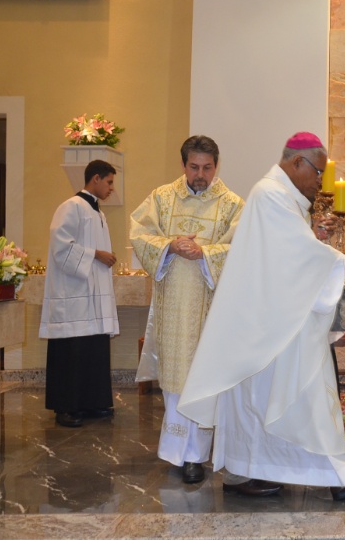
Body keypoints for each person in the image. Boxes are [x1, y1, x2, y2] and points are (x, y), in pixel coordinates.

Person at [177, 132, 345, 500]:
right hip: (264, 325)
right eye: (318, 173)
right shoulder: (271, 194)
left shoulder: (281, 195)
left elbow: (290, 255)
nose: (320, 182)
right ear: (297, 163)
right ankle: (331, 477)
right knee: (296, 396)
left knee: (279, 401)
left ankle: (325, 475)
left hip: (274, 318)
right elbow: (297, 250)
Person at [130, 135, 244, 484]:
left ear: (216, 166)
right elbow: (139, 233)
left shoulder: (232, 204)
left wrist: (205, 253)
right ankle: (175, 451)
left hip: (210, 308)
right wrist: (169, 246)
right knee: (176, 377)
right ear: (184, 166)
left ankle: (195, 455)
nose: (200, 174)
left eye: (207, 168)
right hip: (172, 305)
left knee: (202, 378)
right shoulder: (162, 198)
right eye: (194, 167)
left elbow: (240, 245)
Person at [40, 160, 119, 428]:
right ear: (95, 179)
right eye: (108, 182)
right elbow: (61, 248)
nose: (111, 188)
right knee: (70, 351)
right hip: (73, 295)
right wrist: (96, 254)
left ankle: (90, 402)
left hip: (92, 297)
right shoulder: (71, 206)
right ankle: (65, 407)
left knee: (92, 349)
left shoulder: (97, 212)